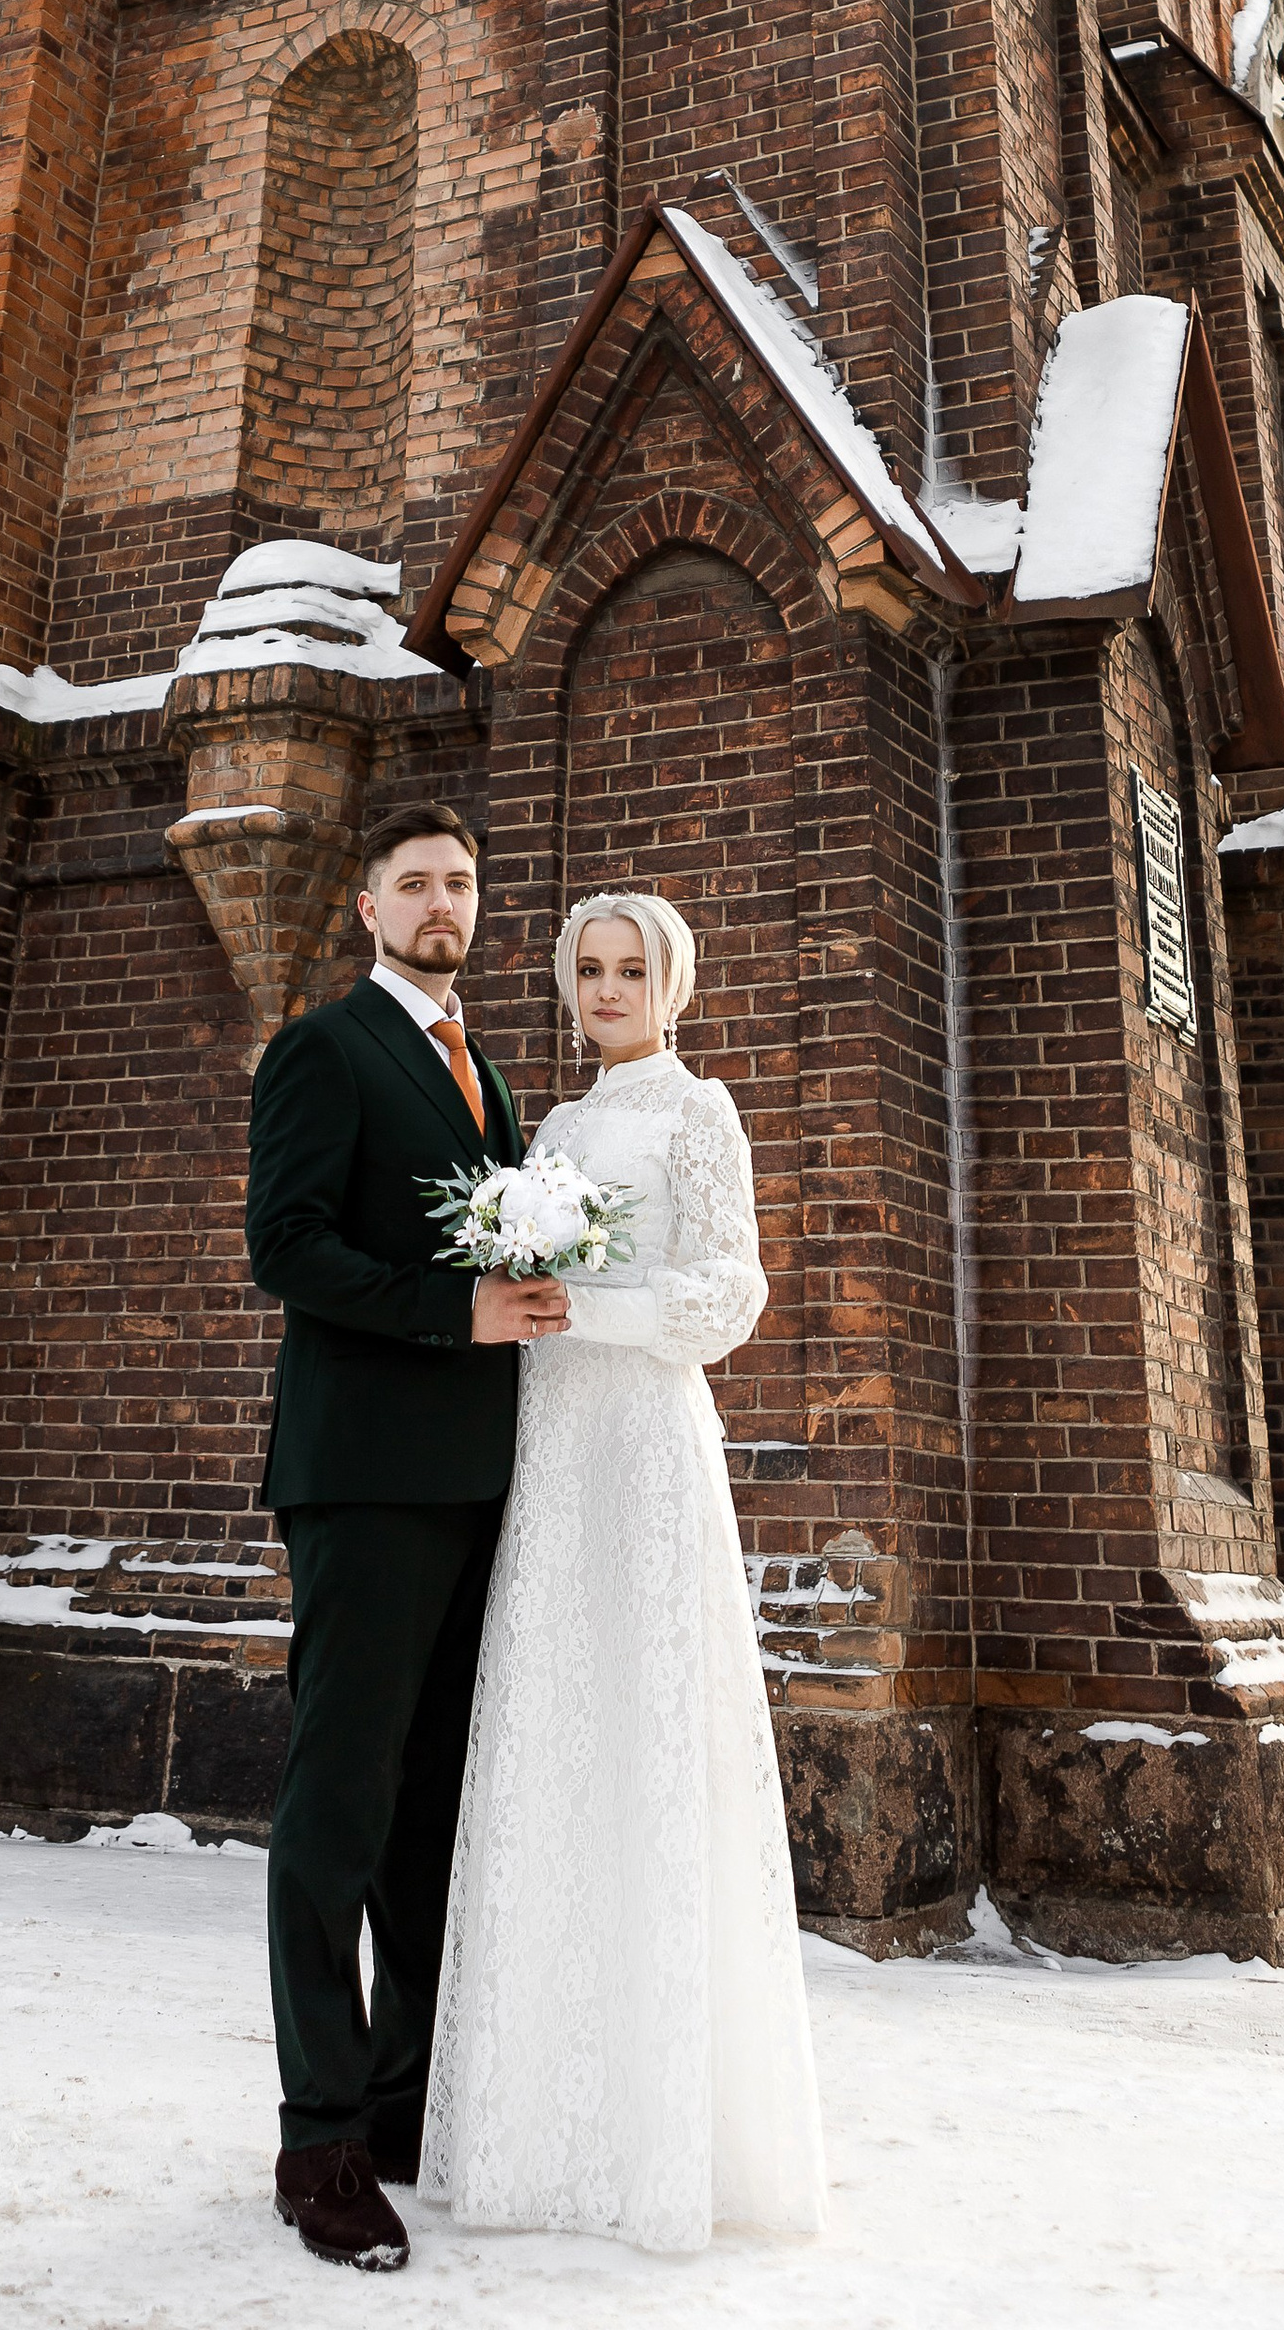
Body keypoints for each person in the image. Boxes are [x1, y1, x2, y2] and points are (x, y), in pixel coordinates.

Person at [420, 890, 829, 2253]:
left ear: (672, 982)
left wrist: (582, 1304)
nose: (605, 989)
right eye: (588, 969)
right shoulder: (553, 1132)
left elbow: (731, 1295)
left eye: (629, 969)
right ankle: (534, 2133)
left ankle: (666, 2144)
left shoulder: (699, 1112)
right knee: (557, 1737)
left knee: (651, 1741)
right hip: (556, 1446)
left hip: (648, 1444)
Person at [245, 801, 571, 2274]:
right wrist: (458, 1310)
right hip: (364, 1479)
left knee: (434, 1813)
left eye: (461, 884)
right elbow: (288, 1244)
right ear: (368, 908)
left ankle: (398, 2104)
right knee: (338, 1807)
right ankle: (317, 2140)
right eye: (416, 885)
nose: (444, 903)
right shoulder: (326, 1048)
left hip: (474, 1483)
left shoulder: (487, 1068)